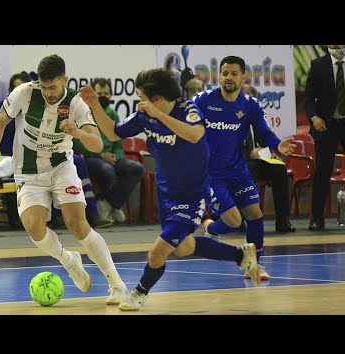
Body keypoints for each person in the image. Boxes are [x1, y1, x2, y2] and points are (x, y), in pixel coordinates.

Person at [79, 68, 261, 312]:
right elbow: (113, 131)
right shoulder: (145, 115)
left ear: (156, 98)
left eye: (143, 97)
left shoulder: (188, 110)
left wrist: (158, 115)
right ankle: (241, 255)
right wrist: (94, 105)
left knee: (157, 253)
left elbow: (196, 135)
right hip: (166, 193)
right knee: (184, 247)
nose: (140, 103)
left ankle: (138, 293)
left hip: (193, 194)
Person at [0, 54, 127, 304]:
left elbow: (98, 144)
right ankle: (69, 260)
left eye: (53, 87)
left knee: (76, 224)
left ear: (65, 80)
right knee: (34, 227)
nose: (49, 93)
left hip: (60, 166)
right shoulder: (24, 92)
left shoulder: (76, 102)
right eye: (44, 88)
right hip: (28, 170)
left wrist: (77, 132)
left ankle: (117, 284)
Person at [194, 56, 295, 282]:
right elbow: (184, 124)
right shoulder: (202, 100)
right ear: (219, 75)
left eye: (233, 74)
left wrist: (277, 145)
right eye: (224, 73)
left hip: (237, 169)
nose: (228, 78)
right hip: (210, 173)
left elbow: (264, 131)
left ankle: (254, 265)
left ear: (243, 77)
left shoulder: (250, 104)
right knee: (233, 222)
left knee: (255, 214)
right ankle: (211, 229)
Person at [74, 77, 145, 224]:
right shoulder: (82, 112)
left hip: (111, 158)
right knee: (107, 170)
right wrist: (100, 154)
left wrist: (116, 156)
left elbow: (118, 142)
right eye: (99, 93)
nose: (103, 97)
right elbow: (78, 142)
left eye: (106, 94)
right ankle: (111, 206)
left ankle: (109, 204)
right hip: (90, 157)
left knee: (137, 169)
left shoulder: (112, 113)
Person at [242, 84, 295, 233]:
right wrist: (249, 153)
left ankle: (282, 220)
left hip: (257, 161)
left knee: (279, 168)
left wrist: (272, 152)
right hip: (238, 162)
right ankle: (243, 220)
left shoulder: (257, 119)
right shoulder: (229, 119)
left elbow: (266, 138)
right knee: (246, 170)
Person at [304, 45, 345, 230]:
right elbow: (308, 98)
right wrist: (314, 117)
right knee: (322, 170)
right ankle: (317, 217)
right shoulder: (318, 65)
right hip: (327, 125)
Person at [0, 72, 32, 156]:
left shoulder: (34, 109)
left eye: (25, 89)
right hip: (5, 156)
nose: (21, 92)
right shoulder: (0, 108)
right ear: (11, 90)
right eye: (18, 89)